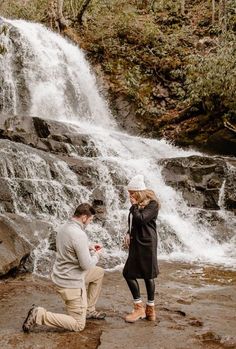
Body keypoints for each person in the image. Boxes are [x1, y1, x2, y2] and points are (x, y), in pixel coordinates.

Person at [22, 203, 106, 333]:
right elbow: (86, 265)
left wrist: (88, 246)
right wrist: (97, 254)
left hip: (61, 275)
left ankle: (88, 310)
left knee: (98, 273)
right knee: (78, 325)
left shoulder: (64, 227)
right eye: (90, 220)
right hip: (71, 282)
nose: (90, 223)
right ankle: (39, 314)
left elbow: (70, 246)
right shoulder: (79, 234)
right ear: (84, 217)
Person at [123, 175, 160, 323]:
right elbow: (133, 221)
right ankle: (139, 308)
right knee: (128, 273)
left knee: (147, 275)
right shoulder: (137, 205)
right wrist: (128, 232)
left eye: (132, 193)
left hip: (147, 242)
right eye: (129, 193)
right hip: (136, 241)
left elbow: (141, 219)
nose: (130, 196)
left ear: (139, 192)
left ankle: (150, 309)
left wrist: (134, 206)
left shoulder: (153, 204)